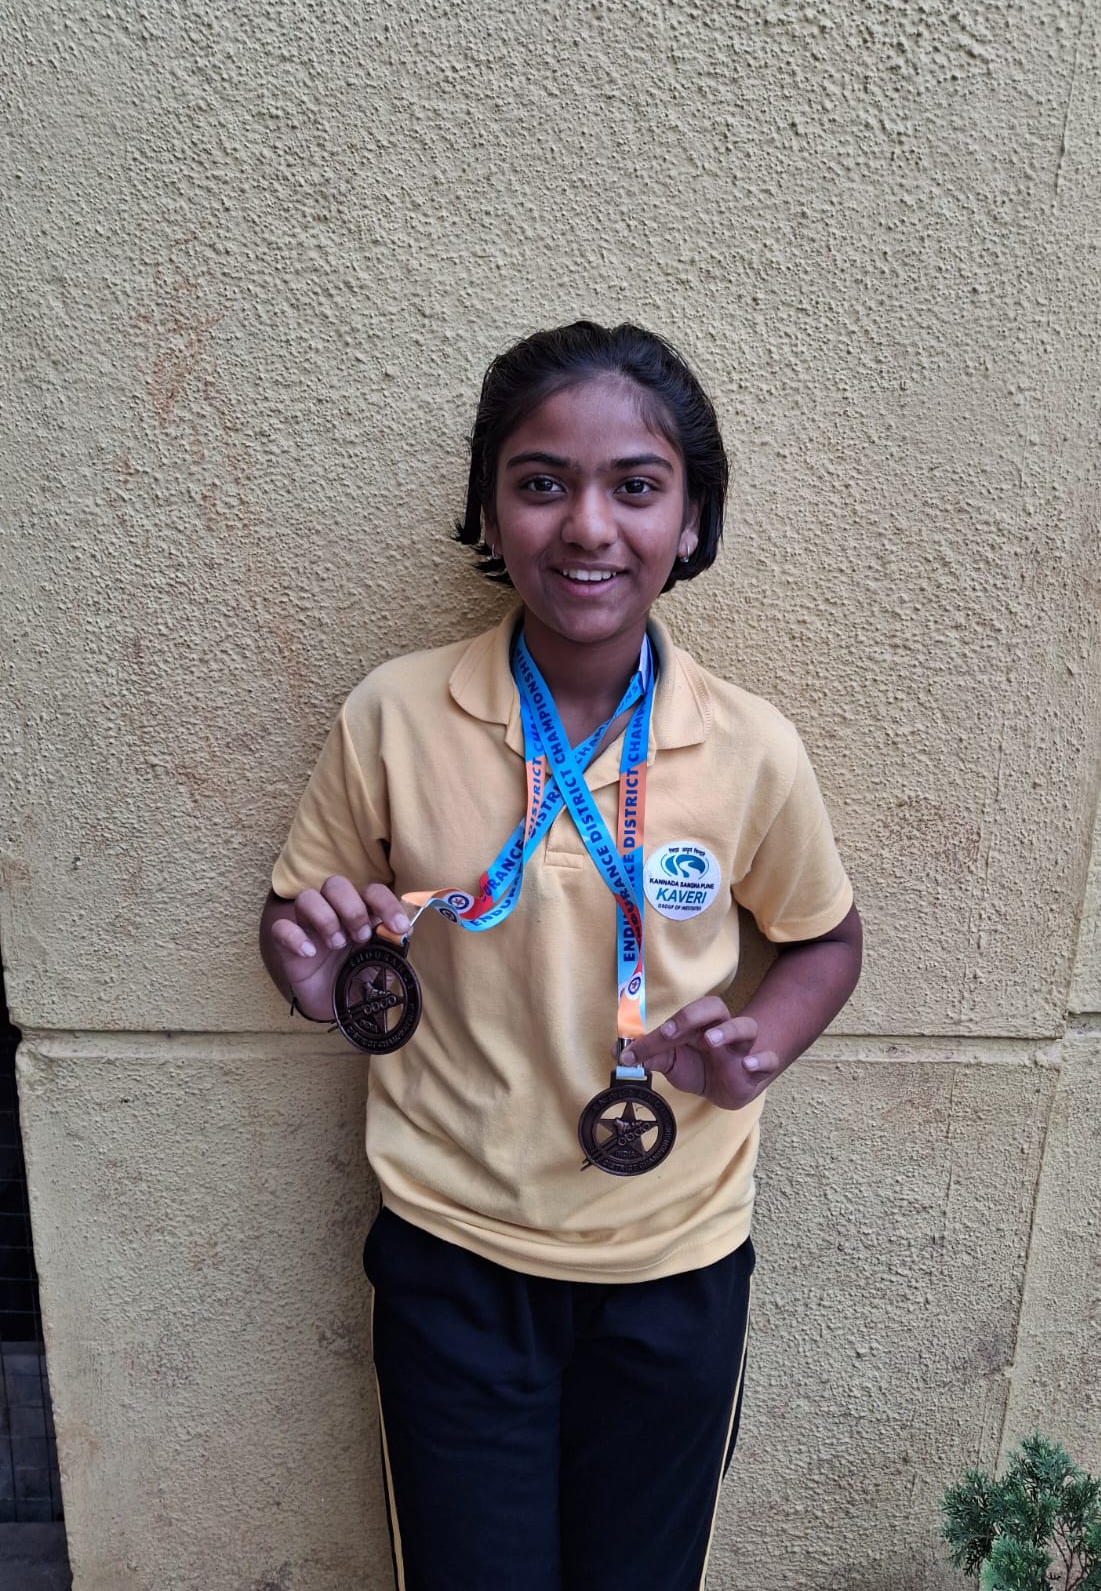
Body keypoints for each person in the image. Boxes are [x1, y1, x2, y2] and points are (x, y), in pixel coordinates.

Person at [259, 321, 862, 1591]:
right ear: (490, 510)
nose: (589, 524)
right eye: (542, 482)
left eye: (636, 486)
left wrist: (760, 1044)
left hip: (675, 1258)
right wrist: (310, 977)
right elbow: (303, 917)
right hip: (453, 1252)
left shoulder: (749, 747)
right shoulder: (396, 714)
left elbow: (824, 938)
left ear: (691, 522)